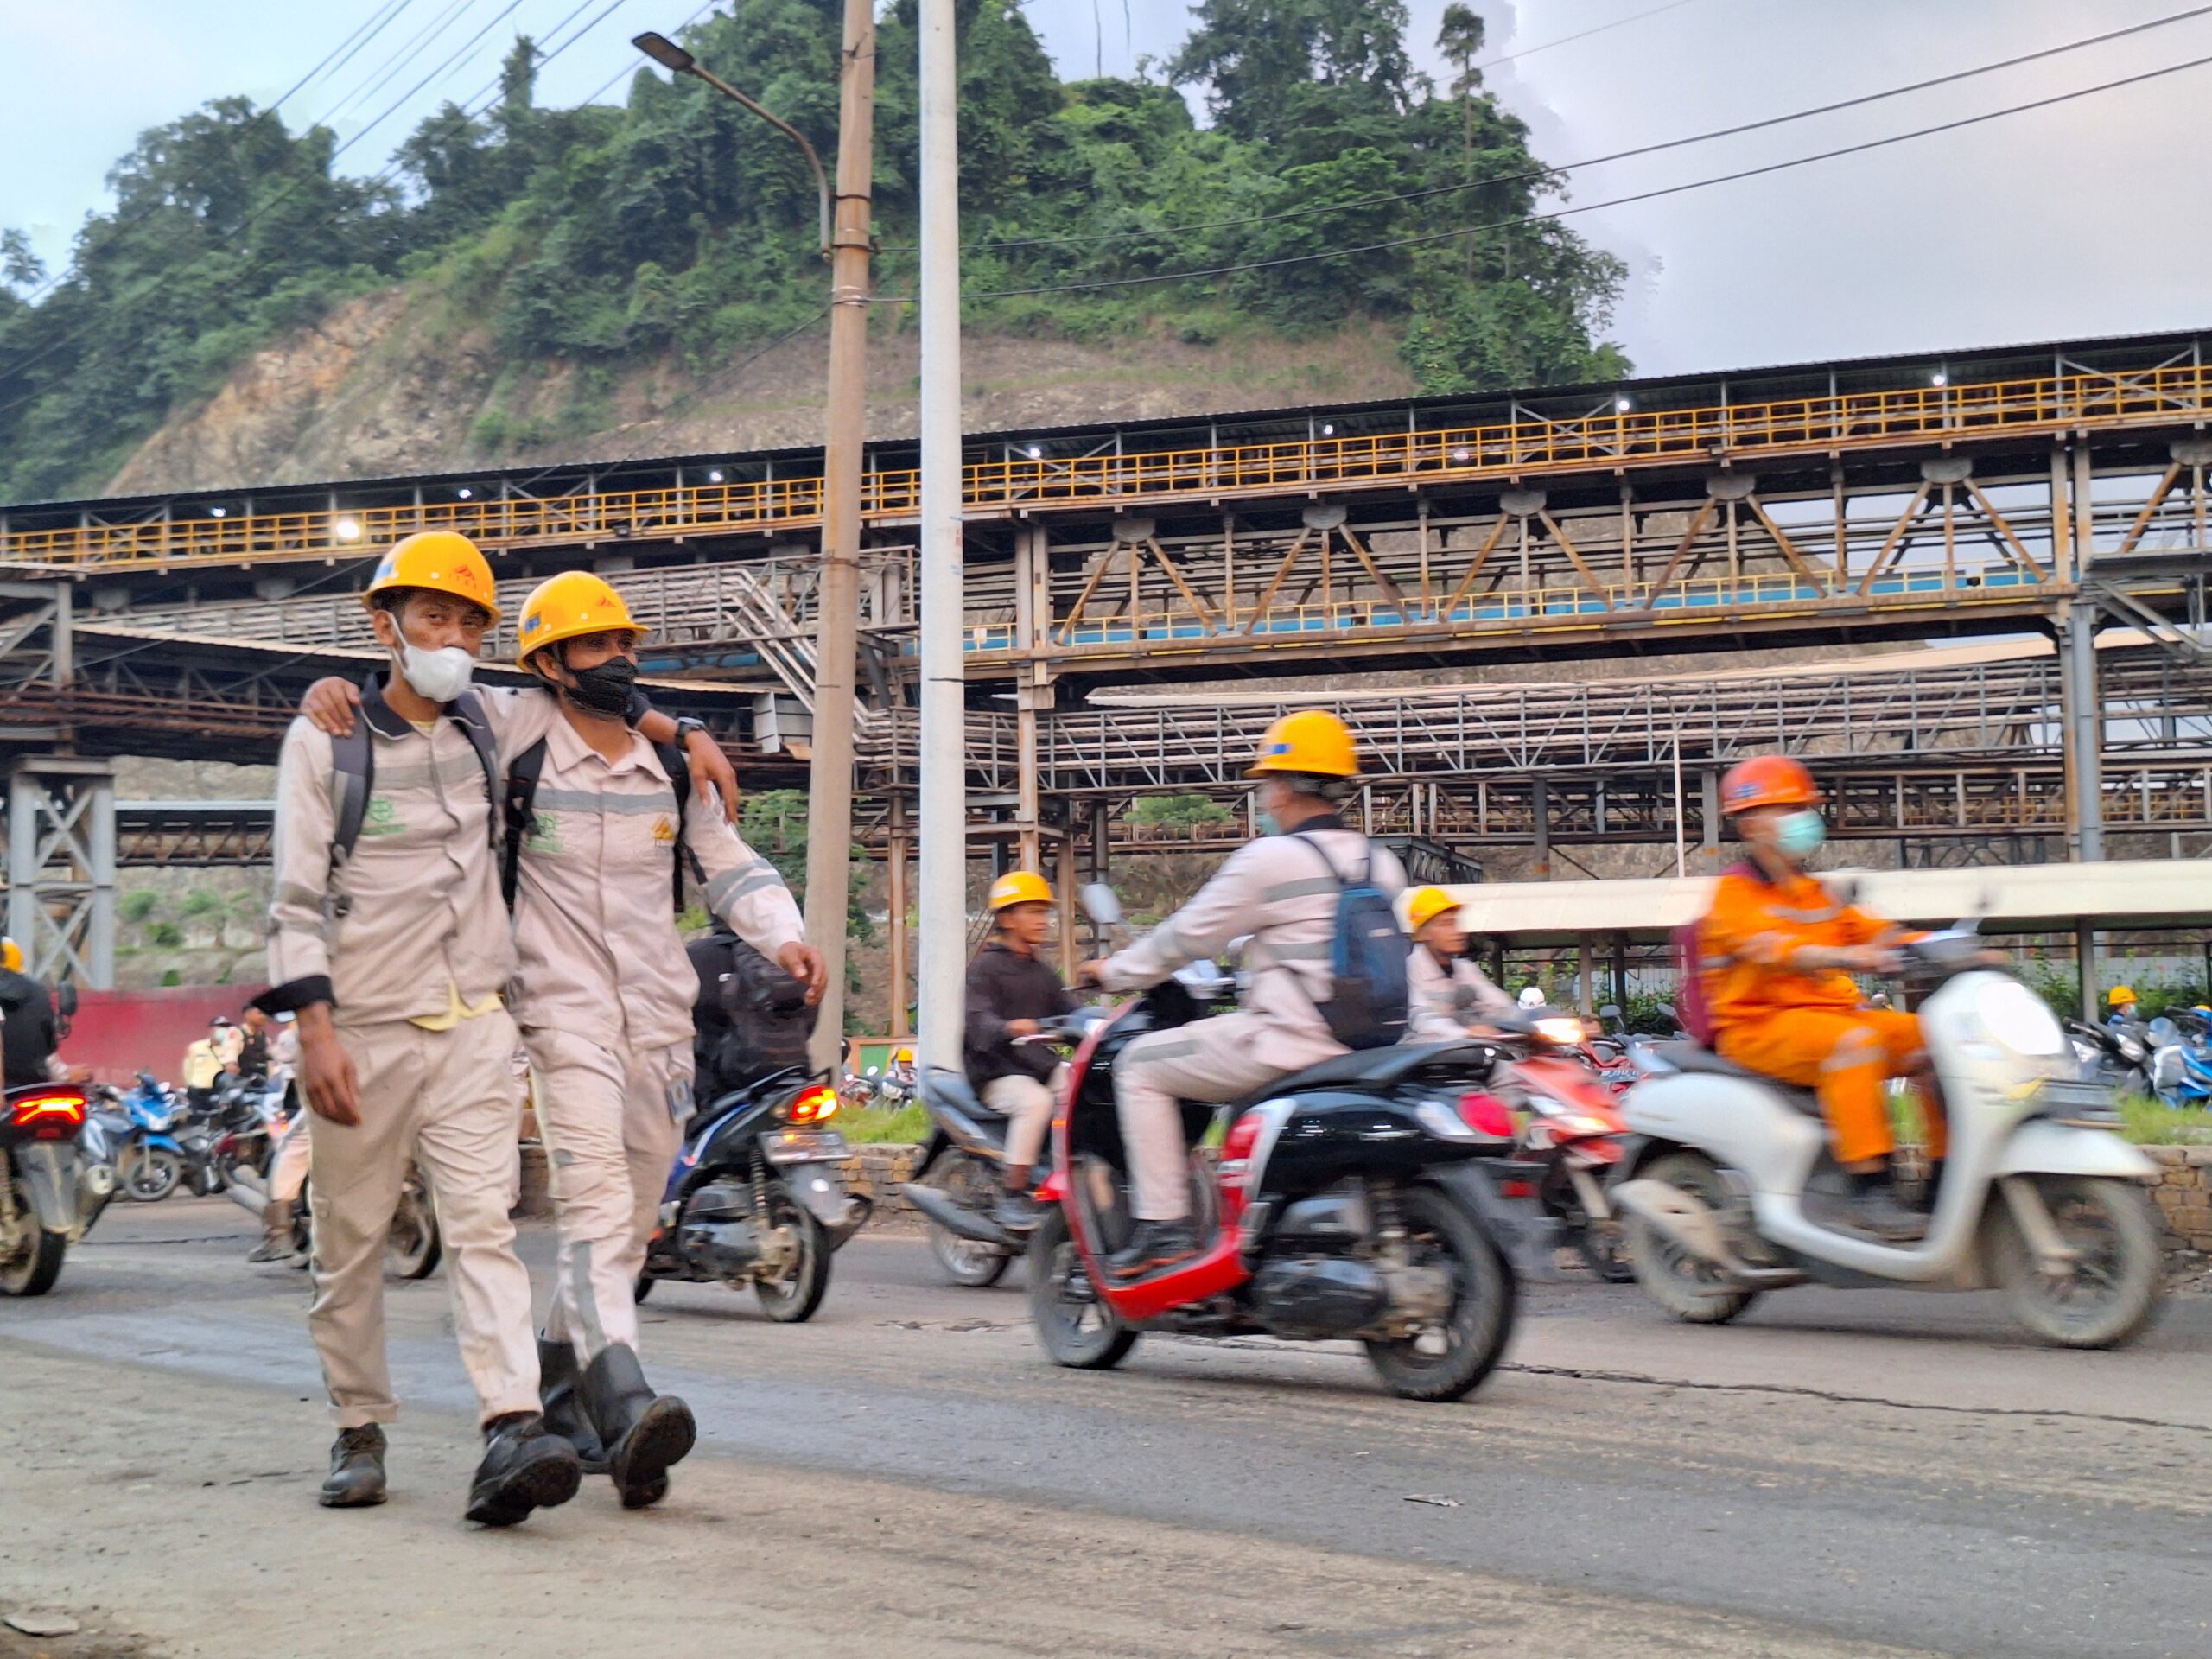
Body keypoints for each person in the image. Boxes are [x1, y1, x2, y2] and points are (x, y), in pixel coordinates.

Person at [263, 531, 582, 1525]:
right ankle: (358, 1426)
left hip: (472, 1025)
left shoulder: (493, 721)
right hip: (361, 1029)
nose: (453, 636)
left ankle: (511, 1428)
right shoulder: (327, 739)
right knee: (350, 1240)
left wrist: (682, 732)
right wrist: (314, 1031)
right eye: (434, 617)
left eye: (469, 621)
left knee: (484, 1228)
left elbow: (594, 700)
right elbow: (295, 900)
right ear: (385, 624)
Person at [1082, 710, 1407, 1279]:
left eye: (1265, 783)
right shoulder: (1382, 863)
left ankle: (1166, 1226)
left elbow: (1185, 937)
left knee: (1138, 1065)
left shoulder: (1268, 860)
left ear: (1281, 787)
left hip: (1289, 1043)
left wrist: (1114, 974)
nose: (1263, 795)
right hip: (1375, 1049)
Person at [1696, 753, 1948, 1240]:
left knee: (1935, 1042)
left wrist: (1950, 948)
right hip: (1759, 1026)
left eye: (1804, 808)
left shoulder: (1819, 893)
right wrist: (1853, 959)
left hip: (1828, 1016)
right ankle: (1869, 1188)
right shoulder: (1733, 895)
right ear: (1750, 824)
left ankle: (1941, 1179)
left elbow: (1878, 932)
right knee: (1854, 1046)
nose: (1804, 819)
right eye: (1788, 809)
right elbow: (1770, 949)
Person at [965, 871, 1077, 1232]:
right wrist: (1009, 1027)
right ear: (1007, 918)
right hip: (997, 1072)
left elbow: (1070, 1009)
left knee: (1086, 1083)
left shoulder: (1042, 972)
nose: (1042, 920)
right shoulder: (984, 969)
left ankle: (1075, 1169)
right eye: (1032, 912)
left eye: (1044, 912)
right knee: (1036, 1103)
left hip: (1038, 1065)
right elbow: (977, 1019)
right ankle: (1012, 1193)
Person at [1404, 887, 1514, 1041]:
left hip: (1469, 1056)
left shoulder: (1467, 970)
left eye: (1455, 923)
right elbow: (1421, 1018)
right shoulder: (1407, 971)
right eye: (1445, 924)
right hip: (1422, 1059)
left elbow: (1502, 1006)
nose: (1457, 932)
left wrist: (1534, 1019)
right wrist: (1465, 1033)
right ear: (1423, 933)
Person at [182, 1016, 232, 1115]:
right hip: (198, 1092)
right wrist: (190, 1085)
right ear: (210, 1029)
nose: (223, 1030)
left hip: (219, 1092)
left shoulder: (231, 1048)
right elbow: (187, 1068)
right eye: (219, 1027)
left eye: (226, 1027)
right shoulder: (196, 1047)